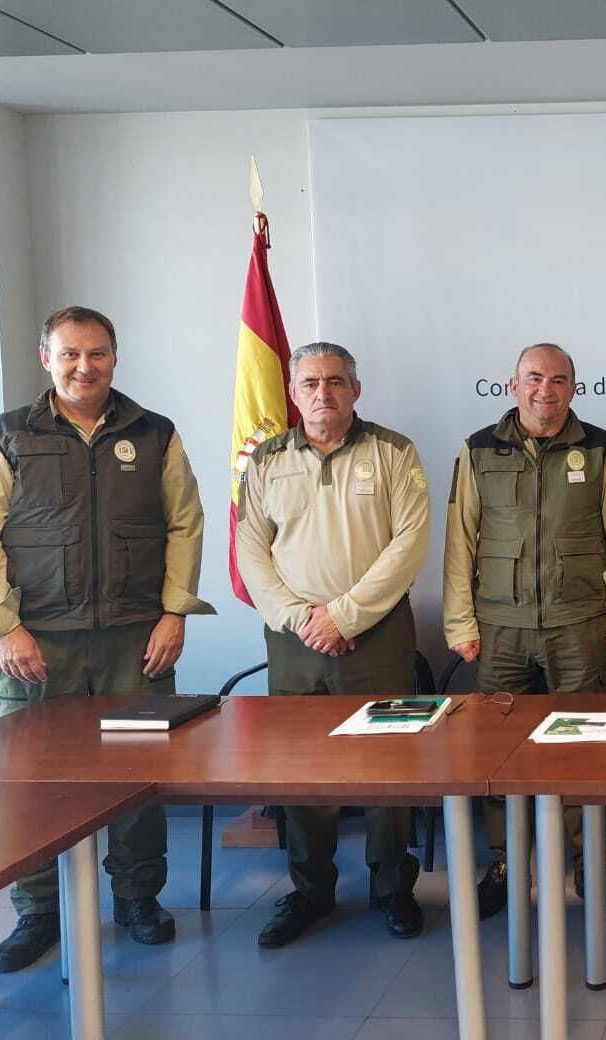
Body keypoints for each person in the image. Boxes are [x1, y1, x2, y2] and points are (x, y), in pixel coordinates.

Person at [0, 305, 212, 973]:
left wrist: (175, 611)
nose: (84, 366)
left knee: (139, 776)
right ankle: (37, 912)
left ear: (115, 357)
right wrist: (4, 624)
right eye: (70, 354)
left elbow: (185, 523)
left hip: (136, 637)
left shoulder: (154, 433)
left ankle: (137, 898)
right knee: (32, 782)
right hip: (38, 642)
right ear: (46, 358)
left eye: (96, 353)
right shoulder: (5, 435)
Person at [233, 341, 431, 947]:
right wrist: (301, 619)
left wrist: (344, 617)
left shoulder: (393, 451)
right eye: (312, 383)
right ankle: (311, 891)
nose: (324, 393)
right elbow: (251, 549)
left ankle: (392, 887)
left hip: (376, 635)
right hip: (294, 642)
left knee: (387, 768)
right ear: (293, 393)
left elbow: (410, 543)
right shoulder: (267, 459)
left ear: (356, 389)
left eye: (337, 382)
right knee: (301, 771)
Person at [443, 342, 606, 923]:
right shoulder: (479, 449)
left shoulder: (599, 448)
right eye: (534, 378)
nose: (545, 391)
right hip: (500, 628)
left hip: (579, 624)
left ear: (573, 389)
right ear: (513, 384)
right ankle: (505, 862)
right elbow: (462, 541)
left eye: (558, 380)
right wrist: (460, 621)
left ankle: (590, 863)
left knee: (586, 749)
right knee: (496, 752)